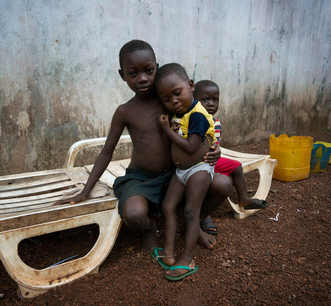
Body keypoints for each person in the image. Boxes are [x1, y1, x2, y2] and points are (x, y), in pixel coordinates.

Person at [54, 40, 231, 252]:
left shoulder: (171, 99)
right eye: (133, 74)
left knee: (223, 185)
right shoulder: (125, 112)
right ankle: (149, 228)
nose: (143, 79)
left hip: (177, 174)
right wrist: (85, 191)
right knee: (134, 215)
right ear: (122, 75)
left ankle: (193, 222)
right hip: (141, 178)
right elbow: (106, 152)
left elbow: (202, 124)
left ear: (157, 67)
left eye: (148, 71)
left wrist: (215, 149)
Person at [151, 63, 216, 281]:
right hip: (181, 171)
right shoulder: (179, 113)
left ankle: (186, 259)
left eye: (177, 93)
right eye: (166, 99)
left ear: (190, 86)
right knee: (168, 206)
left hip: (198, 169)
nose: (174, 102)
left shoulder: (197, 114)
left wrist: (166, 130)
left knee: (190, 211)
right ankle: (169, 253)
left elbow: (190, 147)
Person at [194, 80, 269, 235]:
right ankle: (204, 214)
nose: (211, 104)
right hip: (196, 163)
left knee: (236, 166)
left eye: (215, 100)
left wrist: (216, 150)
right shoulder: (192, 120)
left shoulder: (216, 123)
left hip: (211, 160)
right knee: (205, 180)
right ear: (194, 100)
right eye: (205, 99)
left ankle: (244, 199)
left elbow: (215, 143)